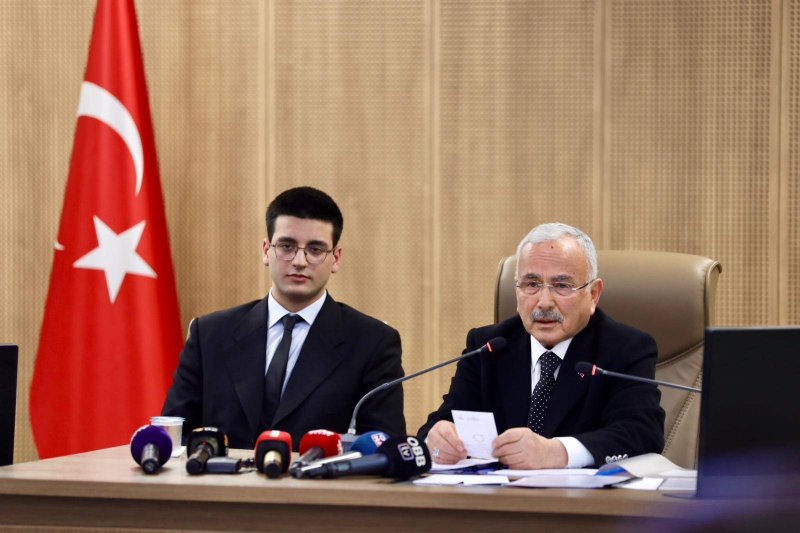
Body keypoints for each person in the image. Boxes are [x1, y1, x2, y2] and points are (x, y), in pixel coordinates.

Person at [162, 186, 406, 450]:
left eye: (315, 249)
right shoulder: (210, 334)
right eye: (287, 246)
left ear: (336, 258)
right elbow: (174, 437)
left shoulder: (372, 343)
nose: (299, 261)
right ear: (266, 250)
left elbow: (384, 447)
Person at [418, 222, 665, 469]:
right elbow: (442, 423)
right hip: (499, 492)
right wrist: (437, 439)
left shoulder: (626, 349)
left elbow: (642, 434)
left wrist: (557, 452)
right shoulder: (488, 347)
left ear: (593, 294)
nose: (544, 302)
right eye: (532, 284)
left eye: (562, 286)